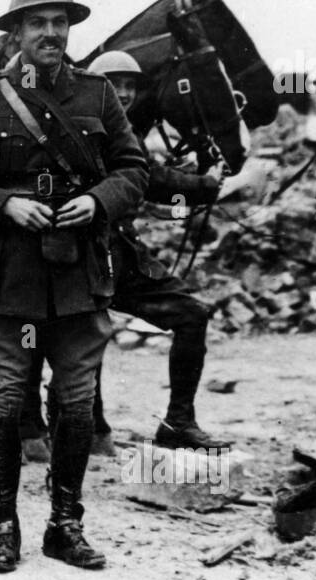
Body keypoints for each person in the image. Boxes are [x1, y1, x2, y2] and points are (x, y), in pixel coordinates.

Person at [0, 0, 148, 573]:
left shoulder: (98, 93)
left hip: (78, 269)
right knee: (7, 396)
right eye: (38, 23)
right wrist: (4, 204)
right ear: (16, 33)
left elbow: (134, 169)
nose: (51, 32)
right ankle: (4, 527)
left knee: (77, 399)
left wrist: (101, 201)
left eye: (60, 22)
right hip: (7, 269)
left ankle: (66, 525)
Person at [82, 50, 225, 453]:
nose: (124, 93)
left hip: (122, 255)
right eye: (115, 84)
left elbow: (149, 185)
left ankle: (178, 422)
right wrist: (206, 185)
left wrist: (194, 189)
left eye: (130, 85)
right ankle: (84, 428)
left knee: (192, 315)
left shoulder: (121, 127)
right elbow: (151, 179)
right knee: (83, 338)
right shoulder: (89, 128)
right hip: (81, 256)